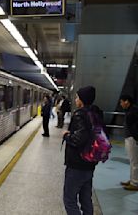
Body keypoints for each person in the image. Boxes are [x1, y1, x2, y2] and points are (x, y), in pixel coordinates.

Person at [62, 86, 103, 215]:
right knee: (86, 199)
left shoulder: (80, 114)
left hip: (77, 164)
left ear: (82, 100)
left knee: (69, 199)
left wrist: (66, 135)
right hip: (90, 163)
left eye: (77, 97)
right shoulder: (96, 113)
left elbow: (78, 140)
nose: (75, 99)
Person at [119, 94, 138, 191]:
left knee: (134, 161)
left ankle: (135, 183)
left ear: (127, 102)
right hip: (130, 138)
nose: (121, 104)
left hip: (133, 138)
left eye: (122, 102)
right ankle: (132, 180)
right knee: (132, 161)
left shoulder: (133, 111)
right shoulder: (130, 110)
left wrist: (135, 137)